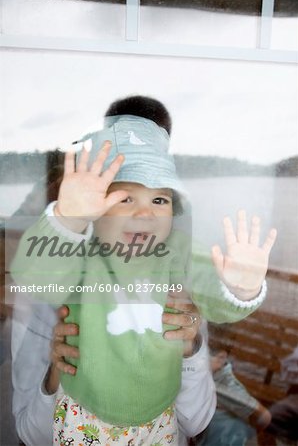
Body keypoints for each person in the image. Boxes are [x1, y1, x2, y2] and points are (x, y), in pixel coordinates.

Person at [11, 112, 276, 445]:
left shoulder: (177, 251)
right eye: (125, 198)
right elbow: (37, 279)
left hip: (157, 418)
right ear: (95, 208)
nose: (145, 212)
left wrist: (241, 286)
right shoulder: (81, 251)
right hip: (84, 414)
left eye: (159, 199)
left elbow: (216, 299)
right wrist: (68, 220)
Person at [196, 349, 271, 446]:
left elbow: (264, 417)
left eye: (197, 355)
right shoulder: (209, 380)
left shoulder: (226, 388)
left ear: (220, 358)